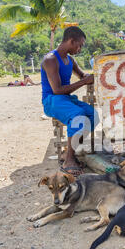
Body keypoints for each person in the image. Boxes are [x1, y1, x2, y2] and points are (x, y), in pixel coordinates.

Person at [41, 26, 99, 176]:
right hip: (52, 101)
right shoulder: (50, 60)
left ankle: (69, 150)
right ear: (71, 41)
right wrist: (84, 82)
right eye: (79, 45)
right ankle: (69, 160)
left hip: (66, 99)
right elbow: (57, 90)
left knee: (93, 115)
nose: (80, 49)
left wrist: (96, 75)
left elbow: (82, 75)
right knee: (78, 114)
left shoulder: (70, 60)